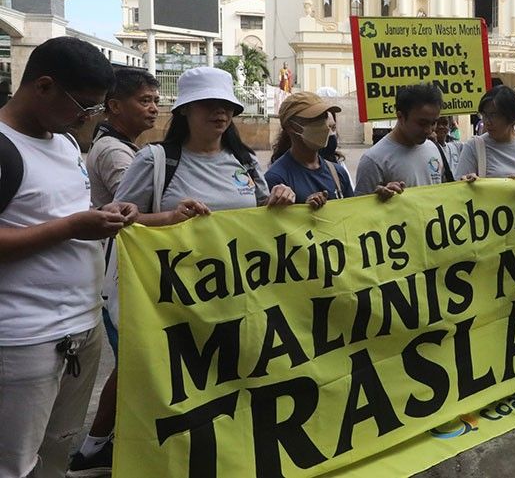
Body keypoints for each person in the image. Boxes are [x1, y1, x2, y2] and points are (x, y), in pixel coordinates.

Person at [0, 37, 138, 478]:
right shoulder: (5, 147)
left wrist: (103, 215)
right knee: (15, 460)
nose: (89, 118)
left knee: (57, 447)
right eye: (85, 105)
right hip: (24, 340)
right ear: (43, 86)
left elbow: (64, 214)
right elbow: (63, 225)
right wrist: (72, 228)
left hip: (82, 327)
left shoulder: (62, 144)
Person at [69, 69, 160, 475]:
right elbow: (135, 214)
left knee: (134, 365)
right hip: (122, 274)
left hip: (125, 271)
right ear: (114, 106)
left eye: (155, 99)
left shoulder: (124, 147)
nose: (154, 107)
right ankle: (93, 449)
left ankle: (97, 446)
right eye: (144, 100)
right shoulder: (117, 154)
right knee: (138, 365)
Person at [114, 66, 295, 227]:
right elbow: (118, 220)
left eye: (227, 104)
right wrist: (169, 218)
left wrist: (281, 197)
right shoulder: (154, 160)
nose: (220, 111)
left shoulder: (246, 160)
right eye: (208, 103)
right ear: (184, 109)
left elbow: (262, 212)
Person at [355, 84, 443, 198]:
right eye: (422, 123)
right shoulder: (373, 160)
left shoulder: (433, 148)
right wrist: (380, 198)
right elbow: (360, 209)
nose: (429, 130)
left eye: (433, 123)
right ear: (400, 116)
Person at [266, 91, 353, 206]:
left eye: (324, 118)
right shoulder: (277, 178)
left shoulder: (338, 173)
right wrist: (304, 212)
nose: (324, 126)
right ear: (291, 127)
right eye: (314, 119)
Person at [455, 85, 515, 179]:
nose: (487, 122)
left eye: (493, 115)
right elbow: (460, 188)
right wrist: (468, 182)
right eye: (484, 115)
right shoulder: (474, 147)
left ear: (512, 117)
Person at [432, 115, 462, 182]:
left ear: (450, 126)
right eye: (437, 123)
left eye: (445, 123)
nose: (441, 127)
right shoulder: (427, 148)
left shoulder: (456, 147)